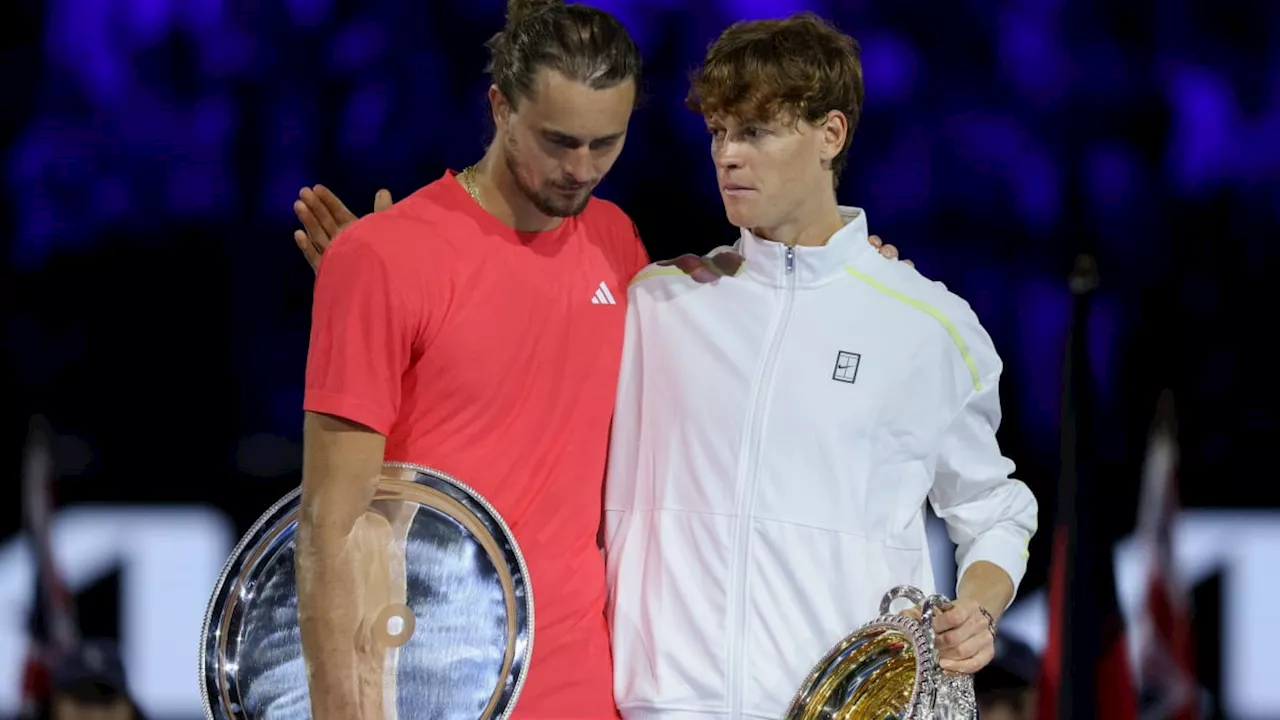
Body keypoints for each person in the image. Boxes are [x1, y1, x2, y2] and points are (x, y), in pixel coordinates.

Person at [602, 13, 1038, 719]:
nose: (727, 156)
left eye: (756, 132)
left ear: (830, 135)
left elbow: (994, 510)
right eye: (718, 132)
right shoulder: (657, 306)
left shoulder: (926, 326)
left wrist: (979, 609)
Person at [295, 0, 647, 717]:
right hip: (423, 686)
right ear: (499, 107)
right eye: (558, 141)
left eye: (604, 144)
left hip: (581, 686)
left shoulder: (615, 240)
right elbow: (327, 528)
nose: (581, 169)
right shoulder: (384, 258)